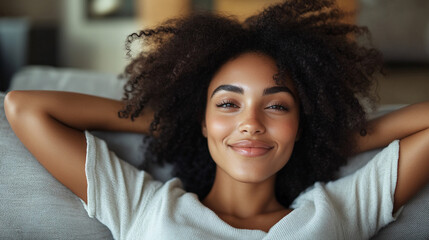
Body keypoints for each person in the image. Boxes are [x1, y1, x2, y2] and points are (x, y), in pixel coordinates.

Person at [4, 0, 429, 239]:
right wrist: (171, 120)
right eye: (227, 104)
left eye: (278, 106)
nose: (251, 122)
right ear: (203, 120)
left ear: (301, 123)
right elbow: (24, 106)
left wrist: (335, 136)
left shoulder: (337, 212)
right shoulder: (144, 206)